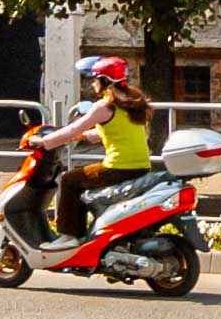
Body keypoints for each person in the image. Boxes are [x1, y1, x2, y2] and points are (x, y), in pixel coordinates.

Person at [33, 55, 154, 249]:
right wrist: (86, 137)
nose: (92, 84)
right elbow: (116, 130)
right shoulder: (132, 102)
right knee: (83, 178)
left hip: (118, 167)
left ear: (104, 80)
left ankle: (69, 236)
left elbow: (74, 128)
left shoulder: (104, 105)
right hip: (141, 167)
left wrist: (44, 141)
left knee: (70, 179)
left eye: (95, 79)